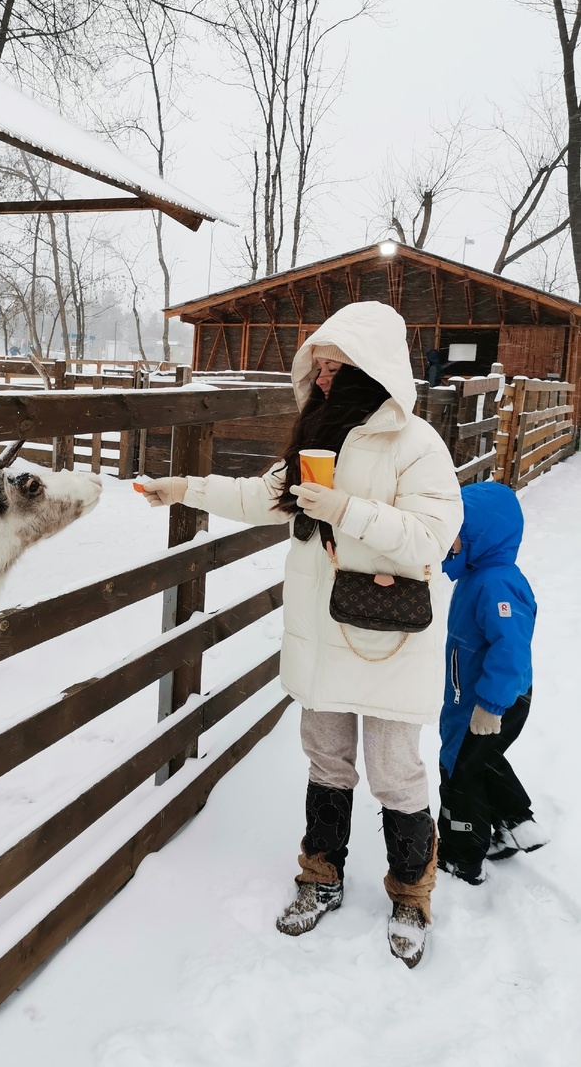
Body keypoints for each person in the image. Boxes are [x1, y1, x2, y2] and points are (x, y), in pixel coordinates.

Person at [140, 301, 462, 968]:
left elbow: (432, 539)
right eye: (318, 366)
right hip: (323, 629)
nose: (321, 378)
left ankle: (411, 892)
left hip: (391, 636)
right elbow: (261, 498)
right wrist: (183, 489)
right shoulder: (317, 436)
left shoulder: (418, 446)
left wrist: (347, 510)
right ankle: (320, 876)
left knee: (396, 771)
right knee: (327, 759)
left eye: (334, 367)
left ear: (370, 370)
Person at [438, 480, 547, 885]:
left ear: (478, 535)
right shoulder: (479, 575)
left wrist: (490, 705)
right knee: (478, 760)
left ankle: (461, 858)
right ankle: (516, 824)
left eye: (454, 534)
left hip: (490, 700)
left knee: (460, 774)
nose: (447, 544)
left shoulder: (495, 583)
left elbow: (511, 649)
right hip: (483, 695)